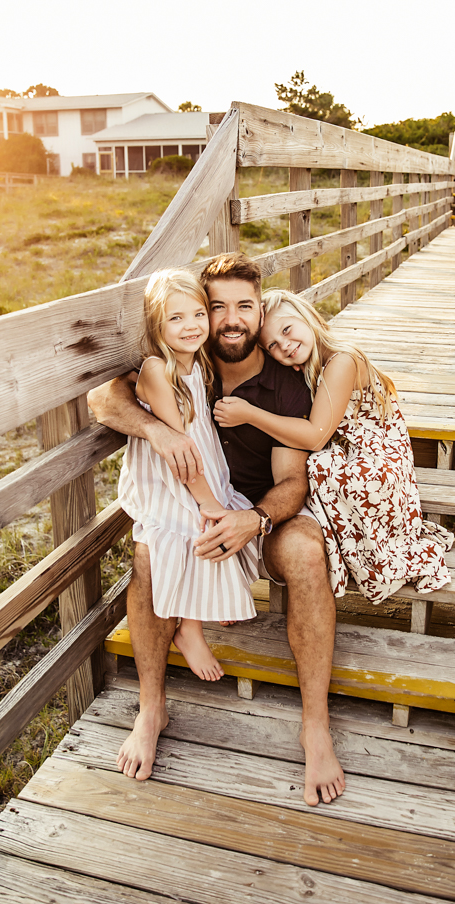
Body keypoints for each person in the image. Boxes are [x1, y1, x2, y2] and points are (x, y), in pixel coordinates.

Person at [88, 253, 345, 807]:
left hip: (256, 516)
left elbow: (292, 483)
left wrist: (252, 520)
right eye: (217, 306)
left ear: (260, 310)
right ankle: (151, 707)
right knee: (148, 553)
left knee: (305, 550)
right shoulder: (186, 352)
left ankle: (315, 725)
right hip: (191, 507)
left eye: (244, 307)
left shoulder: (284, 386)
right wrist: (158, 432)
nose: (229, 319)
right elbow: (102, 397)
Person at [214, 288, 453, 603]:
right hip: (352, 448)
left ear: (308, 317)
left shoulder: (342, 361)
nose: (284, 345)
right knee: (314, 469)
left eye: (287, 330)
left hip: (378, 455)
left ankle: (367, 552)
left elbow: (315, 436)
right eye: (272, 345)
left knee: (319, 467)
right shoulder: (313, 365)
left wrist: (250, 414)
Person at [117, 269, 259, 684]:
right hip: (172, 476)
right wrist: (207, 500)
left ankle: (210, 604)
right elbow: (180, 448)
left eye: (198, 314)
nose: (192, 326)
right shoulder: (158, 371)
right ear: (157, 325)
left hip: (202, 465)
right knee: (200, 527)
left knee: (229, 515)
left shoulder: (197, 361)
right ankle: (189, 630)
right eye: (176, 319)